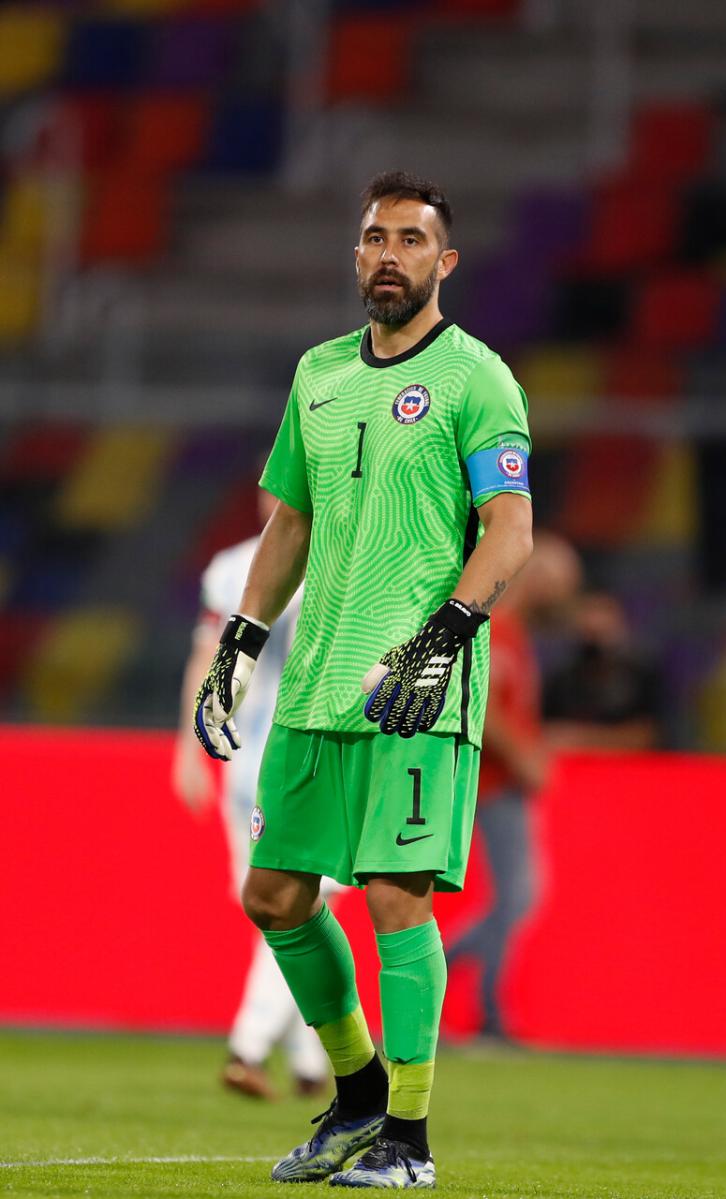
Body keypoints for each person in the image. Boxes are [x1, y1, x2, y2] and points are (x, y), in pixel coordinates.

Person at [192, 170, 534, 1189]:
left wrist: (443, 636)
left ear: (444, 261)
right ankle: (353, 1094)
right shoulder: (317, 375)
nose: (389, 255)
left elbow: (507, 530)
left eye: (410, 240)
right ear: (355, 255)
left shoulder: (478, 378)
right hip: (315, 688)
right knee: (276, 893)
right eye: (374, 238)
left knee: (394, 895)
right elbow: (287, 524)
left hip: (416, 687)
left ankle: (409, 1139)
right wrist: (238, 645)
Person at [172, 489, 333, 1100]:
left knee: (278, 909)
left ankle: (311, 1059)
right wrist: (188, 749)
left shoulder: (231, 565)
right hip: (296, 761)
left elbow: (206, 658)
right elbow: (208, 659)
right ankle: (248, 1044)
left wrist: (191, 749)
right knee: (293, 907)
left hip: (248, 762)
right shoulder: (336, 558)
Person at [446, 533, 581, 1039]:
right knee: (517, 897)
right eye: (563, 584)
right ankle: (474, 998)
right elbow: (479, 706)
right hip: (494, 785)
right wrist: (525, 758)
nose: (566, 597)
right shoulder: (497, 630)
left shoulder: (513, 634)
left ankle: (458, 985)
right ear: (539, 578)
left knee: (517, 898)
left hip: (502, 785)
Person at [543, 591, 662, 751]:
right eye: (589, 634)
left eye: (602, 633)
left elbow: (647, 736)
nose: (595, 645)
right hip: (573, 769)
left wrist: (580, 738)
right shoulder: (560, 681)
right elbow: (549, 735)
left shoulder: (641, 675)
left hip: (627, 770)